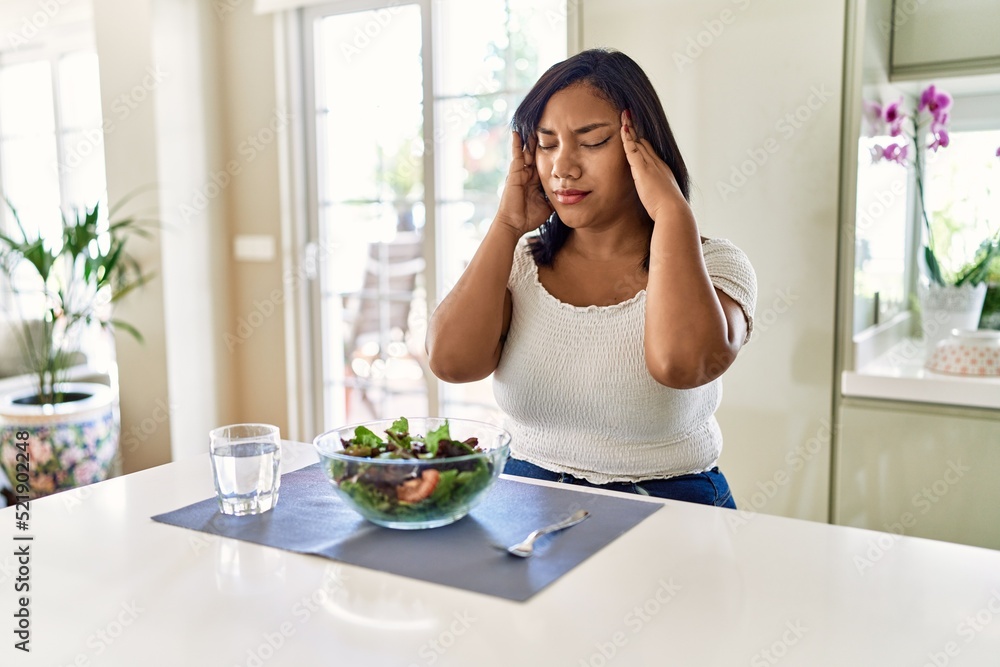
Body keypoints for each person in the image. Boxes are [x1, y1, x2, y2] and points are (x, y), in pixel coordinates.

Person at [425, 48, 756, 508]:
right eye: (546, 143)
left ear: (645, 149)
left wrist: (673, 215)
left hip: (672, 511)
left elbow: (683, 365)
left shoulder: (718, 265)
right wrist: (505, 225)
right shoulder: (520, 261)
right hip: (527, 504)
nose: (563, 166)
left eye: (593, 140)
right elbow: (450, 362)